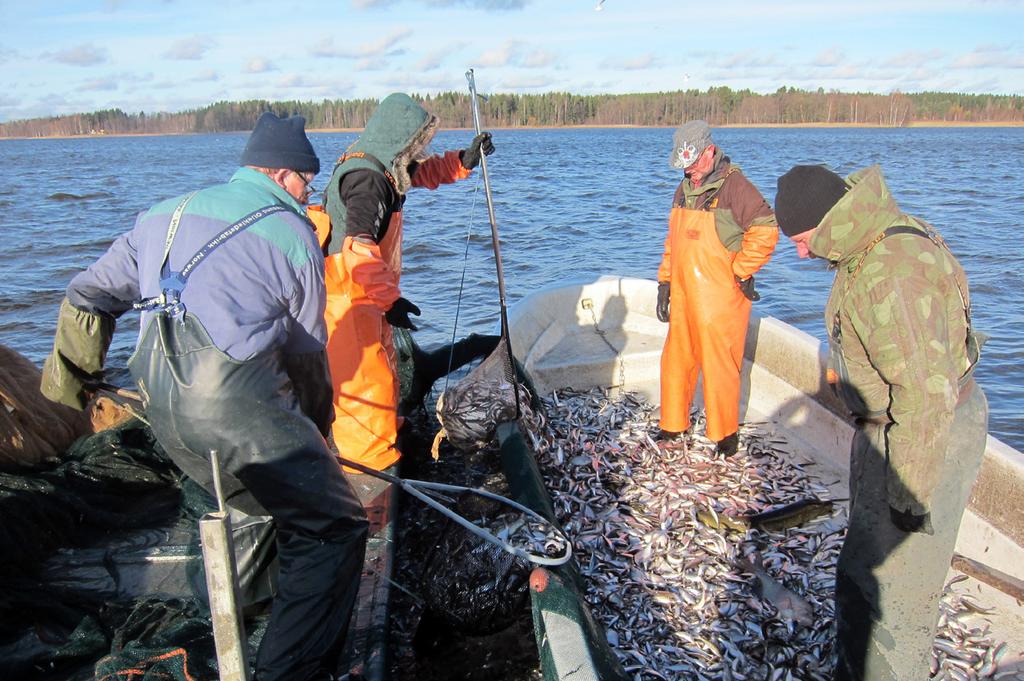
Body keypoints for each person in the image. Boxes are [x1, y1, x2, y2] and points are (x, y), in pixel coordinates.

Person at [40, 112, 369, 681]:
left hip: (163, 408)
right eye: (305, 180)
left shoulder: (162, 214)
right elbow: (306, 358)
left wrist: (72, 386)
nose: (308, 192)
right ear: (282, 173)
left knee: (263, 502)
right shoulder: (293, 235)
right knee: (335, 527)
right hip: (237, 409)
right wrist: (318, 439)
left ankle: (263, 613)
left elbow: (88, 294)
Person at [774, 164, 987, 681]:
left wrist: (909, 497)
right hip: (889, 429)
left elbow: (926, 396)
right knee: (861, 570)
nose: (801, 253)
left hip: (924, 438)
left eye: (803, 241)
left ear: (828, 223)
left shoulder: (893, 271)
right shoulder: (863, 241)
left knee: (899, 598)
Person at [319, 92, 494, 471]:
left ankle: (391, 434)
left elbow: (423, 172)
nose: (420, 150)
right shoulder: (367, 180)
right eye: (417, 143)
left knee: (386, 371)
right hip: (348, 298)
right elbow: (359, 249)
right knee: (364, 384)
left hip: (367, 294)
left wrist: (463, 162)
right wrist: (390, 301)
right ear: (399, 139)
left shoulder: (387, 165)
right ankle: (370, 473)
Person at [656, 120, 778, 456]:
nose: (690, 171)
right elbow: (673, 242)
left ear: (710, 151)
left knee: (719, 365)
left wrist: (741, 270)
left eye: (694, 163)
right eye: (685, 165)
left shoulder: (737, 188)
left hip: (720, 297)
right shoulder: (683, 190)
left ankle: (725, 436)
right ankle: (672, 427)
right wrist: (664, 282)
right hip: (683, 294)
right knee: (675, 361)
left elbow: (767, 231)